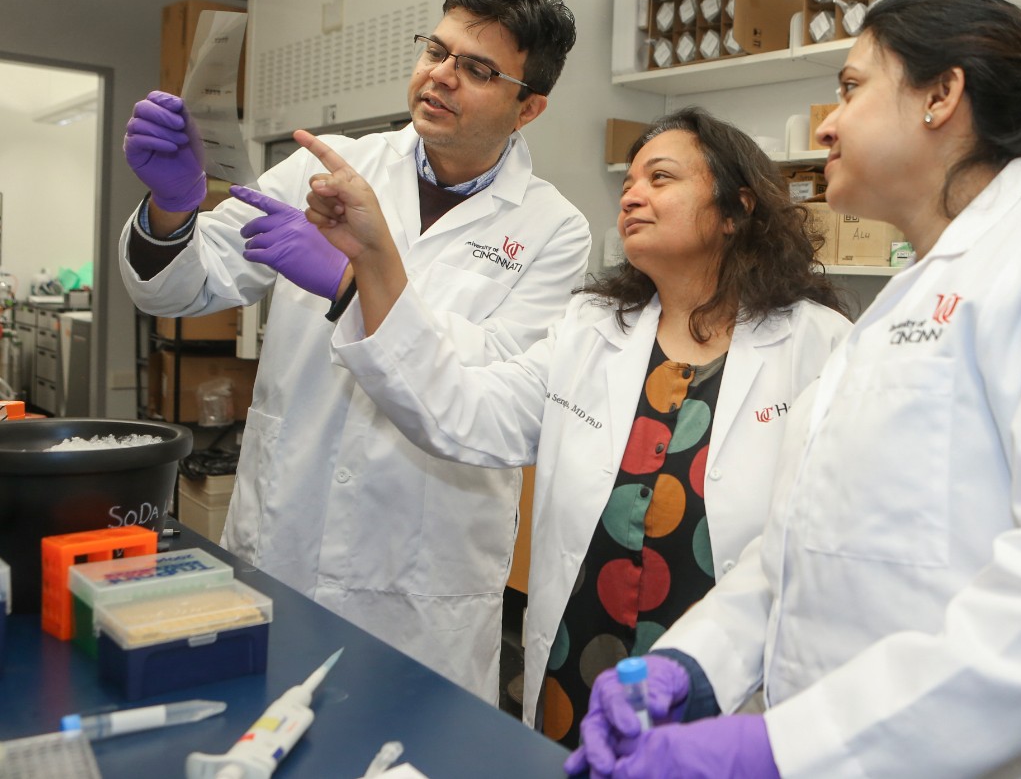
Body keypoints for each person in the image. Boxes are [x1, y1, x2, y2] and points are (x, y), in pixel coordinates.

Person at [569, 0, 1021, 778]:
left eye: (851, 87)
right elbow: (801, 553)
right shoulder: (901, 304)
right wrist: (695, 663)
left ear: (942, 94)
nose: (826, 123)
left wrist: (781, 747)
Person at [240, 107, 852, 747]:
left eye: (661, 178)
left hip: (728, 693)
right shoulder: (590, 330)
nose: (633, 196)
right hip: (580, 671)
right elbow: (462, 411)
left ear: (736, 210)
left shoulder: (816, 346)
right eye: (629, 184)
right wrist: (365, 272)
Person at [118, 0, 589, 702]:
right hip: (283, 542)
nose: (441, 75)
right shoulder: (324, 165)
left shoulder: (552, 229)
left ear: (529, 106)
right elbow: (185, 284)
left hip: (419, 592)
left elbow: (489, 396)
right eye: (438, 50)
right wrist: (173, 211)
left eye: (477, 69)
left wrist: (354, 282)